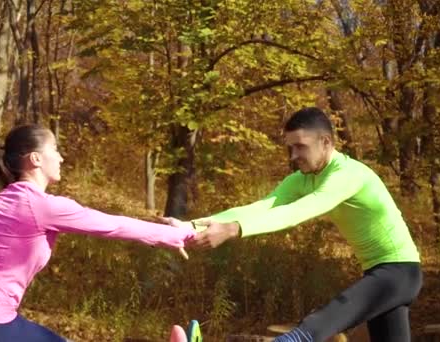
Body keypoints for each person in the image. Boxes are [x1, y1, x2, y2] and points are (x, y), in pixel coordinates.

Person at [0, 124, 195, 342]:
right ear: (36, 158)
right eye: (56, 149)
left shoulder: (5, 198)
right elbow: (111, 224)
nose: (61, 156)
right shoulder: (42, 206)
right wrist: (176, 234)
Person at [164, 107, 422, 342]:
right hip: (380, 274)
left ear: (326, 142)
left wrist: (233, 229)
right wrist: (191, 226)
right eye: (290, 148)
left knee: (314, 327)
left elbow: (298, 211)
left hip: (399, 273)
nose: (293, 155)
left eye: (300, 146)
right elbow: (262, 207)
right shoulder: (301, 179)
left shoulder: (348, 175)